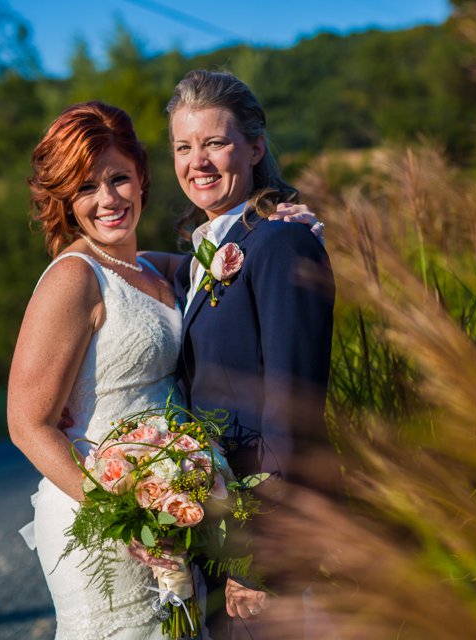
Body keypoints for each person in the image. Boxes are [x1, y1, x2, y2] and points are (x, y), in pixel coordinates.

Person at [8, 101, 321, 639]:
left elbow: (237, 251)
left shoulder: (155, 268)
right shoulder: (73, 279)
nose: (107, 200)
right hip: (108, 520)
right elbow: (26, 424)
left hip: (174, 507)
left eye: (118, 179)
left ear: (142, 179)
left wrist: (288, 222)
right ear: (64, 200)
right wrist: (123, 518)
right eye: (86, 188)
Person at [165, 70, 335, 639]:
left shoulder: (282, 241)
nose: (199, 162)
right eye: (184, 147)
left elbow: (294, 408)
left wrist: (263, 559)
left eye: (216, 142)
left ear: (256, 147)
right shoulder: (203, 253)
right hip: (216, 528)